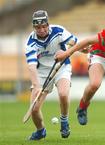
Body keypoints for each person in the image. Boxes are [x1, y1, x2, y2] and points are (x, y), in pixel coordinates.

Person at [25, 10, 77, 140]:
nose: (41, 30)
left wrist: (65, 51)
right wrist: (36, 85)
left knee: (63, 94)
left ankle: (64, 121)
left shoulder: (58, 31)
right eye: (38, 27)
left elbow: (73, 42)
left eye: (44, 26)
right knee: (34, 109)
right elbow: (31, 66)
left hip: (61, 67)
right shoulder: (31, 42)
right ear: (34, 27)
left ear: (48, 24)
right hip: (42, 72)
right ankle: (40, 131)